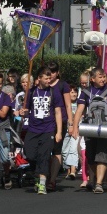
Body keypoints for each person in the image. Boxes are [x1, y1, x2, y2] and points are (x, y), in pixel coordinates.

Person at [72, 68, 107, 194]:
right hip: (90, 127)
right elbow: (79, 110)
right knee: (90, 156)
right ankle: (100, 178)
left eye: (104, 76)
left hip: (105, 127)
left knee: (102, 154)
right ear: (92, 79)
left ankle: (99, 183)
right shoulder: (86, 92)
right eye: (100, 77)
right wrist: (75, 127)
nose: (103, 79)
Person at [18, 66, 63, 195]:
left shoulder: (54, 92)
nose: (49, 80)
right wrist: (23, 112)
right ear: (39, 78)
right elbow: (25, 110)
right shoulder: (31, 92)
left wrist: (59, 131)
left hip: (48, 129)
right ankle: (37, 175)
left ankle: (42, 183)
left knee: (44, 155)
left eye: (50, 78)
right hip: (33, 129)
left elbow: (58, 112)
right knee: (30, 154)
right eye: (46, 78)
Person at [47, 61, 73, 192]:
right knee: (45, 150)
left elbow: (68, 105)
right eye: (49, 72)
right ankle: (44, 176)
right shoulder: (43, 84)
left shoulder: (63, 85)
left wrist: (70, 123)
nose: (50, 75)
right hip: (45, 121)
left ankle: (52, 179)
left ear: (57, 73)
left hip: (60, 121)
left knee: (56, 150)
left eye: (53, 72)